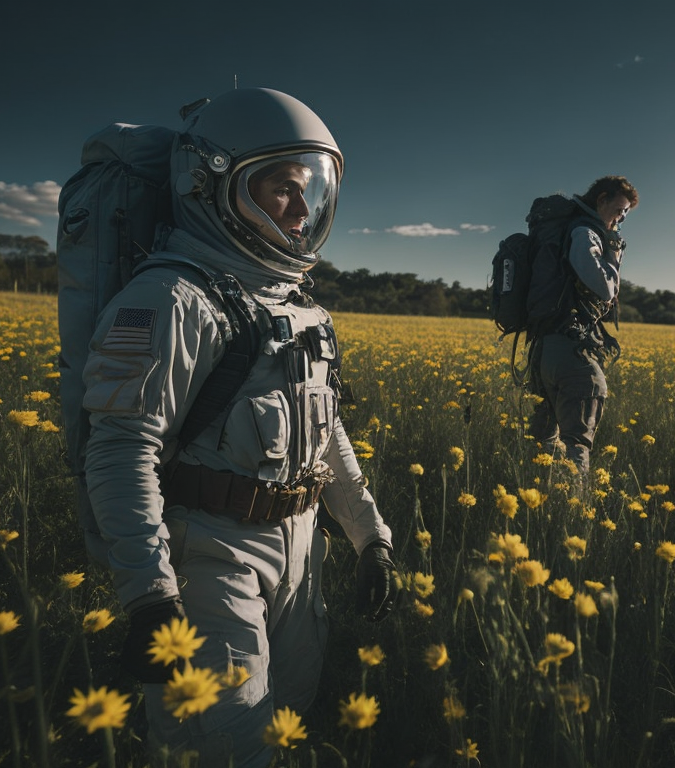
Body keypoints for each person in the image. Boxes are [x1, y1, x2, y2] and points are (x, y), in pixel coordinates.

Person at [80, 88, 397, 767]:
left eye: (309, 189)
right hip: (209, 555)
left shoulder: (299, 307)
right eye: (279, 187)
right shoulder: (170, 298)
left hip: (301, 547)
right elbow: (121, 450)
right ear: (209, 184)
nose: (302, 207)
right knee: (226, 746)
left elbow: (326, 435)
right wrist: (149, 596)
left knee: (291, 713)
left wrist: (371, 537)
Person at [526, 175, 639, 475]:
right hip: (568, 346)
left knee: (545, 442)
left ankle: (537, 508)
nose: (621, 217)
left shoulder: (564, 229)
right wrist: (614, 256)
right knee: (577, 445)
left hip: (544, 348)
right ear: (601, 199)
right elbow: (604, 288)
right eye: (618, 208)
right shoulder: (584, 232)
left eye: (626, 212)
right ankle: (573, 512)